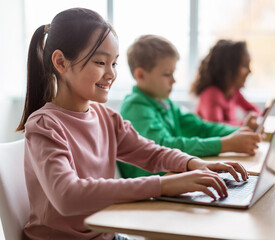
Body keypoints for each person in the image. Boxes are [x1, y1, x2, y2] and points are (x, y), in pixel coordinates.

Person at [17, 8, 250, 240]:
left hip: (106, 235)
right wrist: (164, 184)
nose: (111, 74)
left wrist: (193, 164)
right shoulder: (44, 125)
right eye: (100, 62)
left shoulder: (107, 118)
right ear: (60, 62)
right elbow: (67, 196)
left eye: (114, 64)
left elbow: (152, 152)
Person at [118, 35, 261, 179]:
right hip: (150, 189)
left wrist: (242, 131)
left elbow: (201, 127)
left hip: (171, 178)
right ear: (141, 75)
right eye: (167, 74)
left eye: (173, 73)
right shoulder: (135, 106)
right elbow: (165, 147)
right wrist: (225, 144)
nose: (174, 80)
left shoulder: (166, 104)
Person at [190, 39, 261, 130]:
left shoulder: (233, 91)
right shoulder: (211, 94)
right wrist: (244, 124)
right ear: (228, 68)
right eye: (244, 66)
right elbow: (216, 128)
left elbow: (254, 110)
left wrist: (252, 119)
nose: (250, 71)